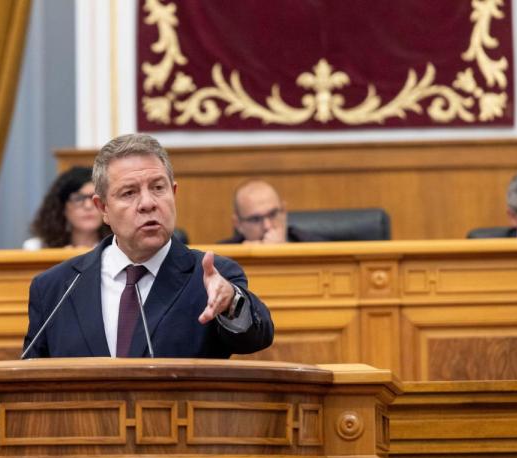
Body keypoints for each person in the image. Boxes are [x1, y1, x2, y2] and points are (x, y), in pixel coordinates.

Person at [23, 133, 274, 359]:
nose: (147, 203)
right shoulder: (55, 289)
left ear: (173, 193)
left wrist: (231, 301)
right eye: (129, 193)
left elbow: (256, 337)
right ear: (103, 209)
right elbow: (31, 384)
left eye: (157, 188)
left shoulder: (212, 277)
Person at [23, 166, 110, 250]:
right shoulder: (36, 248)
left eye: (94, 198)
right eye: (78, 198)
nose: (88, 206)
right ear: (62, 207)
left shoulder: (118, 248)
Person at [218, 179, 321, 243]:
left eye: (272, 214)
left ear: (284, 212)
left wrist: (283, 252)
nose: (267, 226)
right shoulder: (220, 260)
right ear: (238, 224)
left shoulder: (317, 247)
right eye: (255, 219)